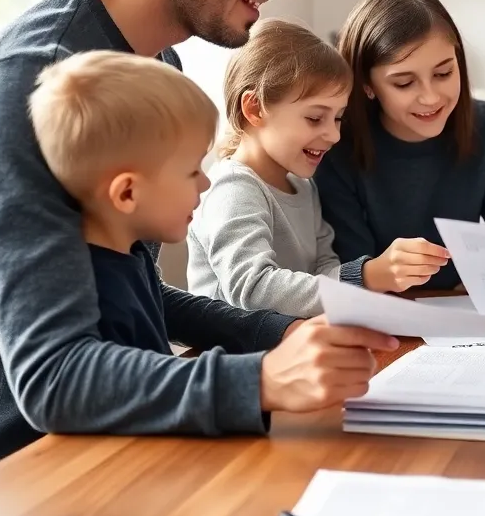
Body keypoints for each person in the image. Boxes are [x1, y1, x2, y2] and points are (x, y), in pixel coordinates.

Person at [0, 0, 396, 478]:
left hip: (125, 447)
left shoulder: (150, 66)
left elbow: (131, 296)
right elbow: (53, 377)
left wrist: (283, 333)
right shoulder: (31, 85)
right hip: (20, 485)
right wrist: (261, 380)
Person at [187, 18, 447, 314]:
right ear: (255, 108)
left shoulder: (303, 186)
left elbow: (325, 268)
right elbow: (252, 287)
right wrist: (367, 276)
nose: (334, 135)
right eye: (315, 118)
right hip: (237, 356)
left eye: (338, 118)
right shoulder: (233, 188)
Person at [315, 0, 485, 292]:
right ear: (366, 85)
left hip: (462, 315)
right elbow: (348, 268)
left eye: (443, 73)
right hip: (379, 313)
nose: (431, 97)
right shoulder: (336, 143)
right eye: (405, 83)